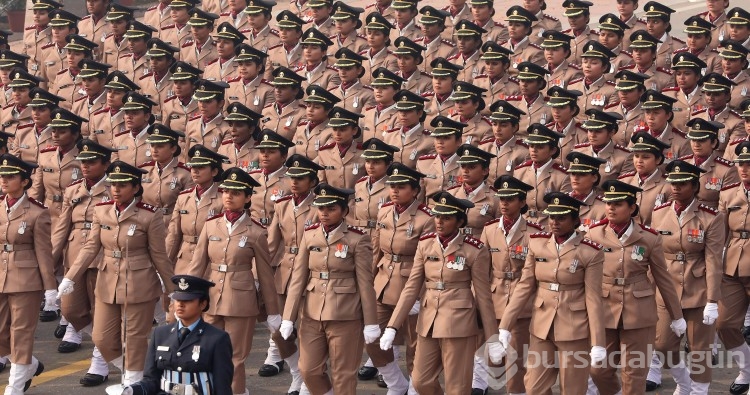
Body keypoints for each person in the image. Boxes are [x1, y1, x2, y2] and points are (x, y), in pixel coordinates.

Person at [58, 161, 176, 387]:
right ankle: (137, 372)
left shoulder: (149, 216)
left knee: (134, 338)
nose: (116, 189)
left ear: (135, 188)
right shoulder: (102, 210)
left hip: (139, 282)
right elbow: (91, 247)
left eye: (122, 185)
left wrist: (173, 291)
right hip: (107, 279)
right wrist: (70, 277)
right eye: (113, 184)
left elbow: (159, 256)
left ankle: (133, 381)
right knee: (101, 337)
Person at [378, 191, 499, 394]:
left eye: (447, 217)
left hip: (459, 323)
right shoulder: (425, 244)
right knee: (420, 381)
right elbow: (411, 288)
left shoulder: (474, 250)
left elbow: (483, 297)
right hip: (429, 321)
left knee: (457, 386)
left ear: (460, 221)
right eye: (437, 216)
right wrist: (392, 326)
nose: (439, 221)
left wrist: (492, 339)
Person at [497, 192, 605, 394]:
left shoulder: (590, 251)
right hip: (541, 325)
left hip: (574, 328)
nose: (554, 222)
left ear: (575, 220)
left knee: (572, 388)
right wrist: (505, 325)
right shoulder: (537, 243)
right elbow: (524, 286)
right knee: (533, 387)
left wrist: (598, 342)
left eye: (561, 217)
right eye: (552, 217)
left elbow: (593, 297)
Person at [186, 167, 280, 395]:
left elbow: (265, 274)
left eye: (236, 192)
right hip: (212, 298)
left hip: (240, 299)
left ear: (248, 198)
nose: (228, 196)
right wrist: (186, 297)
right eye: (226, 191)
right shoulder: (211, 225)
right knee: (206, 353)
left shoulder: (256, 231)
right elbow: (197, 265)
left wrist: (273, 311)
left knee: (235, 358)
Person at [587, 179, 686, 395]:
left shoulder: (649, 238)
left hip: (639, 312)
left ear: (632, 208)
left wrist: (676, 316)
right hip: (604, 310)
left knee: (634, 374)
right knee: (598, 371)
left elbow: (663, 279)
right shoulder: (593, 235)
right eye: (608, 203)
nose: (611, 208)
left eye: (618, 204)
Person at [280, 183, 380, 394]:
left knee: (343, 374)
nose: (324, 213)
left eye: (331, 208)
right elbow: (298, 278)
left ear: (344, 211)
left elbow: (365, 284)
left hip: (345, 314)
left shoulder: (357, 238)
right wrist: (288, 317)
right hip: (312, 312)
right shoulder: (310, 234)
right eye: (321, 208)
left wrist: (371, 322)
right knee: (308, 370)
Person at [649, 160, 726, 395]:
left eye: (682, 183)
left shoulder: (711, 217)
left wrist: (712, 300)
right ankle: (684, 382)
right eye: (673, 183)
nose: (675, 188)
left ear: (694, 186)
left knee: (700, 349)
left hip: (698, 288)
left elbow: (713, 260)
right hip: (667, 289)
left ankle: (699, 390)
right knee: (662, 346)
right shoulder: (660, 214)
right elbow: (654, 256)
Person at [364, 162, 433, 394]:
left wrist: (421, 293)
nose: (394, 190)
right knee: (372, 337)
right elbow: (376, 251)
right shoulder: (384, 210)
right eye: (392, 185)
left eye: (401, 186)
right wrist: (368, 282)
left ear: (414, 191)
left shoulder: (427, 218)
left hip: (411, 284)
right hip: (382, 283)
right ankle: (395, 382)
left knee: (415, 345)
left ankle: (415, 387)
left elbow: (429, 261)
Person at [49, 140, 114, 386]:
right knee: (70, 310)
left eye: (92, 162)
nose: (85, 166)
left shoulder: (114, 188)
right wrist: (49, 262)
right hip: (75, 256)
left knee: (101, 313)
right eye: (83, 162)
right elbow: (61, 228)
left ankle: (100, 360)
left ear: (105, 164)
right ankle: (107, 345)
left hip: (103, 258)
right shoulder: (73, 190)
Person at [266, 154, 325, 395]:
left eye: (301, 178)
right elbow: (272, 242)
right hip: (285, 270)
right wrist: (261, 275)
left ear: (312, 182)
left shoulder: (322, 205)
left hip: (312, 271)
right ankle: (295, 373)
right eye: (292, 177)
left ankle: (310, 380)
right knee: (280, 329)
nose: (295, 182)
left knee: (309, 331)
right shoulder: (282, 204)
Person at [479, 175, 542, 395]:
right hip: (495, 295)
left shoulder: (533, 233)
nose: (504, 203)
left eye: (510, 199)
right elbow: (482, 268)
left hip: (522, 299)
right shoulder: (489, 230)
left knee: (516, 357)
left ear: (522, 202)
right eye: (501, 198)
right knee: (493, 355)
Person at [0, 154, 55, 395]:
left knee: (21, 333)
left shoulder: (36, 212)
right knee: (1, 335)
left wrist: (50, 287)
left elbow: (44, 251)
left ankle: (15, 387)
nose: (4, 181)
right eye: (2, 176)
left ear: (24, 181)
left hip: (26, 279)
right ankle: (30, 365)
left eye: (10, 177)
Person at [123, 275, 233, 395]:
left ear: (203, 304)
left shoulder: (217, 338)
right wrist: (133, 390)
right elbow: (151, 379)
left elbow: (222, 385)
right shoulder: (160, 334)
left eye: (188, 300)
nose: (180, 304)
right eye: (177, 299)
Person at [29, 108, 85, 328]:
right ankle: (52, 302)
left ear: (74, 134)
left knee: (71, 261)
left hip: (74, 213)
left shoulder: (84, 157)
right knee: (49, 258)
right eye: (55, 130)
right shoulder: (46, 154)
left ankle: (68, 314)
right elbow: (37, 189)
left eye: (62, 131)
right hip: (51, 213)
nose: (56, 134)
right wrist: (32, 211)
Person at [716, 140, 750, 395]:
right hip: (733, 267)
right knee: (724, 324)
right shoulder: (728, 194)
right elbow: (719, 234)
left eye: (749, 164)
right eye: (740, 164)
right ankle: (747, 369)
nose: (744, 169)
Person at [166, 145, 226, 276]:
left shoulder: (223, 198)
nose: (195, 171)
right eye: (193, 167)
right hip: (184, 260)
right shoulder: (183, 197)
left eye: (201, 168)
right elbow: (174, 234)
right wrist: (165, 266)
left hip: (209, 262)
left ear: (214, 172)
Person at [515, 123, 571, 228]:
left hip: (549, 225)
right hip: (523, 224)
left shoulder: (563, 176)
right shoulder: (519, 171)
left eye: (540, 147)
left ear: (553, 150)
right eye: (531, 146)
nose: (534, 150)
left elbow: (564, 210)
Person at [138, 124, 193, 222]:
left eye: (160, 146)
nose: (154, 150)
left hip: (171, 222)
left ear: (173, 149)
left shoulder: (185, 174)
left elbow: (187, 207)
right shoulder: (143, 171)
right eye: (152, 145)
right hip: (145, 222)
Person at [680, 118, 739, 208]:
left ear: (714, 143)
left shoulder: (727, 170)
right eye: (693, 140)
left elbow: (726, 205)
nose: (696, 144)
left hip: (711, 219)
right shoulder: (682, 164)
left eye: (701, 140)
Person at [619, 131, 672, 226]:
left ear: (658, 159)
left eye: (646, 157)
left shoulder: (668, 187)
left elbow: (667, 222)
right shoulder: (624, 182)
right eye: (636, 156)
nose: (639, 161)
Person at [449, 144, 499, 236]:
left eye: (472, 167)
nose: (465, 170)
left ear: (485, 171)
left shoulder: (495, 199)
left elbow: (498, 233)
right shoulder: (451, 194)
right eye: (463, 166)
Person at [574, 108, 634, 184]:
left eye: (598, 131)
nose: (592, 135)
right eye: (590, 130)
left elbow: (622, 187)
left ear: (611, 132)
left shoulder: (624, 157)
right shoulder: (578, 152)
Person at [353, 138, 399, 231]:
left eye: (376, 162)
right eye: (368, 161)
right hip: (361, 235)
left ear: (388, 164)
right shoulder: (360, 184)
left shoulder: (393, 186)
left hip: (382, 234)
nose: (370, 166)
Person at [316, 107, 366, 192]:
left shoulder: (363, 153)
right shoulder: (324, 152)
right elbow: (322, 183)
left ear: (354, 130)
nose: (337, 134)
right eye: (334, 129)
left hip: (356, 202)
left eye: (343, 130)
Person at [478, 99, 529, 181]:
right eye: (494, 124)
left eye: (503, 125)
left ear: (515, 127)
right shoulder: (484, 148)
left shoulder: (523, 153)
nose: (497, 129)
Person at [416, 116, 465, 201]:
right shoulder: (424, 163)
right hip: (430, 211)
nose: (440, 142)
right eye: (437, 137)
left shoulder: (466, 165)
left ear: (459, 141)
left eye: (446, 138)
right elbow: (419, 197)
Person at [11, 87, 63, 164]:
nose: (36, 113)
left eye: (42, 110)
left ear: (52, 112)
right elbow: (13, 160)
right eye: (34, 109)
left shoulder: (60, 134)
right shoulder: (22, 132)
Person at [88, 71, 139, 148]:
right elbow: (91, 146)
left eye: (117, 93)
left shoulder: (132, 118)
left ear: (127, 96)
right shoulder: (97, 117)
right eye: (109, 91)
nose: (111, 95)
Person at [183, 79, 231, 159]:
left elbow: (225, 158)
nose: (202, 105)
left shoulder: (226, 127)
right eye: (200, 101)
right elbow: (187, 155)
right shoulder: (191, 123)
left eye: (208, 101)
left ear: (221, 103)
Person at [291, 85, 341, 161]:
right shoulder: (301, 127)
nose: (310, 110)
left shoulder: (332, 130)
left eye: (316, 107)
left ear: (328, 111)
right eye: (308, 106)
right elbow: (292, 149)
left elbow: (324, 155)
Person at [661, 52, 708, 133]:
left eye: (687, 73)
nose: (681, 78)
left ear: (697, 76)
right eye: (678, 74)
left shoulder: (707, 96)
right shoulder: (667, 96)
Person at [224, 44, 275, 114]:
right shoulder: (230, 86)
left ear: (259, 67)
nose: (243, 68)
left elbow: (267, 117)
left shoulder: (268, 89)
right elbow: (225, 114)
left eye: (248, 64)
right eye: (240, 64)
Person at [111, 92, 159, 165]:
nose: (129, 117)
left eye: (135, 113)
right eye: (127, 113)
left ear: (147, 116)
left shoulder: (157, 139)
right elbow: (115, 169)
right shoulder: (118, 140)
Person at [545, 86, 586, 168]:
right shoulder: (546, 130)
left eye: (562, 107)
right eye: (554, 107)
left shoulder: (583, 134)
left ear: (573, 110)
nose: (556, 111)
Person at [566, 151, 607, 232]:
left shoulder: (603, 207)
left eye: (581, 174)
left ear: (594, 178)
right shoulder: (562, 201)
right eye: (573, 174)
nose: (575, 178)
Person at [362, 68, 403, 142]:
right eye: (376, 87)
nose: (378, 91)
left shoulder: (400, 115)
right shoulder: (367, 113)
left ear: (396, 91)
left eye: (384, 88)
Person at [474, 42, 520, 107]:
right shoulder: (478, 81)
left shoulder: (515, 86)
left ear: (505, 65)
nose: (490, 67)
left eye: (494, 64)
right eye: (487, 63)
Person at [161, 62, 203, 133]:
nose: (178, 86)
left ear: (193, 85)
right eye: (175, 82)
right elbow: (165, 133)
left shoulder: (202, 104)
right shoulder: (168, 105)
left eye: (183, 83)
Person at [610, 70, 648, 147]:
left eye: (629, 90)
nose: (624, 93)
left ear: (641, 92)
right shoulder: (609, 111)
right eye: (621, 90)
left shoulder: (648, 113)